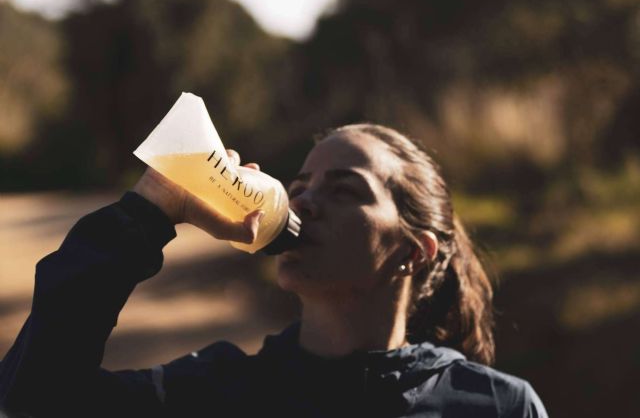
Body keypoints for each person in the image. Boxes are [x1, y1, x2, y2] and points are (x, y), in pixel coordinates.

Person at [0, 124, 548, 417]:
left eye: (345, 189)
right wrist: (149, 210)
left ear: (416, 251)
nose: (303, 201)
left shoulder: (497, 407)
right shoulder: (214, 393)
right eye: (301, 186)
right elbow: (35, 397)